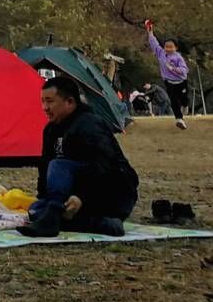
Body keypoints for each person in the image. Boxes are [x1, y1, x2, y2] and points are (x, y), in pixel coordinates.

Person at [22, 76, 139, 237]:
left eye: (50, 101)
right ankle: (99, 224)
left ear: (70, 102)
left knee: (59, 165)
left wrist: (81, 197)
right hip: (74, 196)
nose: (45, 107)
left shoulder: (89, 124)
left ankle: (54, 216)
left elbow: (105, 166)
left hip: (111, 194)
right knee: (35, 210)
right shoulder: (50, 130)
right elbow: (44, 166)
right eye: (42, 101)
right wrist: (45, 198)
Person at [145, 21, 190, 129]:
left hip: (181, 82)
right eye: (166, 47)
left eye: (171, 47)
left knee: (183, 99)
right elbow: (154, 43)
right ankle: (179, 119)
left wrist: (174, 69)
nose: (168, 49)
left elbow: (185, 70)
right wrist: (150, 32)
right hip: (169, 82)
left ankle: (185, 105)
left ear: (176, 48)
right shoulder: (161, 53)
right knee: (173, 100)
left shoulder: (178, 58)